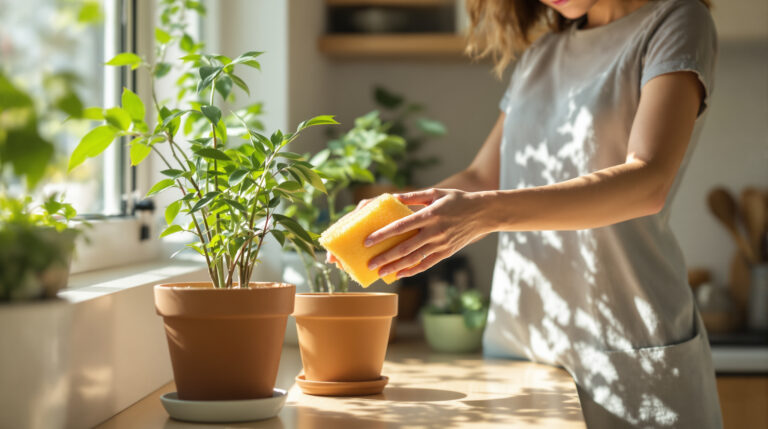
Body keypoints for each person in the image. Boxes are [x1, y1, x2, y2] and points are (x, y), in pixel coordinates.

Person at [329, 0, 722, 426]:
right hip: (518, 352)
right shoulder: (541, 56)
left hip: (628, 354)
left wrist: (486, 215)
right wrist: (398, 214)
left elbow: (648, 181)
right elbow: (482, 178)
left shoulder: (676, 21)